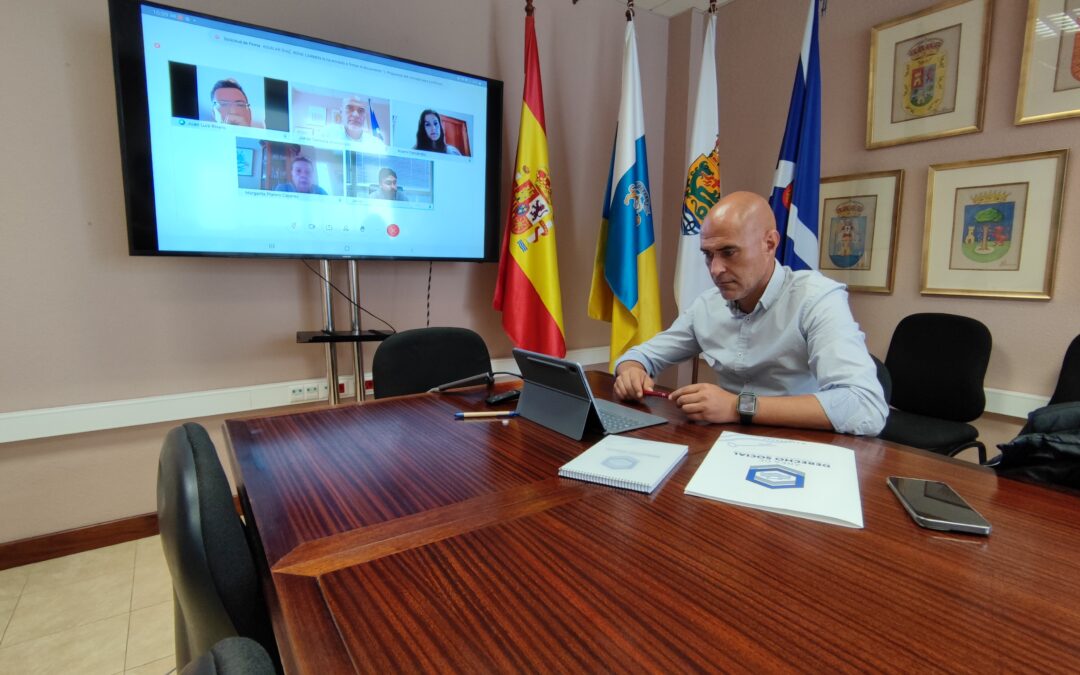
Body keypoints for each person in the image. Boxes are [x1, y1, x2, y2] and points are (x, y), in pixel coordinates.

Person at [613, 191, 887, 436]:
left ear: (770, 243)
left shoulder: (816, 299)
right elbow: (640, 356)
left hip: (802, 445)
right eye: (708, 255)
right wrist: (631, 372)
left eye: (729, 252)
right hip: (726, 442)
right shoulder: (707, 306)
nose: (715, 269)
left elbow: (865, 406)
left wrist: (737, 406)